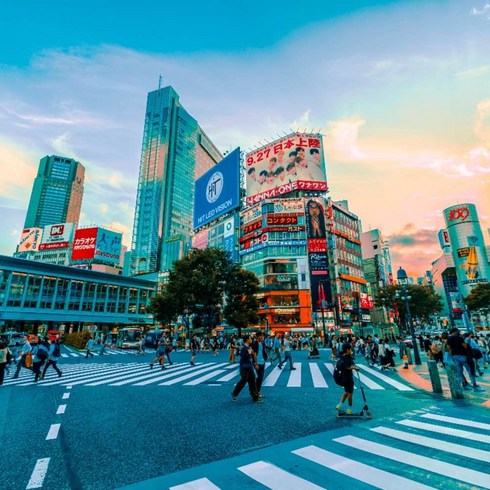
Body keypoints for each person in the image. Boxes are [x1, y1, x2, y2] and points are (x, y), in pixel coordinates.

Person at [231, 335, 260, 403]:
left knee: (252, 381)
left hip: (249, 367)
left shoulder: (248, 347)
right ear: (247, 340)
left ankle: (255, 397)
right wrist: (249, 353)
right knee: (243, 381)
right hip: (244, 368)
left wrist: (252, 355)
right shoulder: (244, 348)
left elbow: (251, 356)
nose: (251, 340)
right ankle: (234, 393)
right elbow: (243, 357)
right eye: (250, 338)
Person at [336, 343, 359, 414]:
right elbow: (347, 367)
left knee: (346, 392)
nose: (351, 350)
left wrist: (354, 366)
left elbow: (351, 363)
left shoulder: (346, 356)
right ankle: (349, 409)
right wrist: (354, 368)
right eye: (350, 349)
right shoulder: (346, 357)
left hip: (344, 377)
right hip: (347, 377)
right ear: (347, 350)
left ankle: (339, 405)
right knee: (350, 393)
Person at [251, 332, 268, 398]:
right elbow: (254, 354)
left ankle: (256, 391)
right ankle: (256, 391)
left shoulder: (262, 343)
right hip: (257, 363)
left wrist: (265, 357)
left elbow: (263, 351)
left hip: (262, 362)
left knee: (261, 377)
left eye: (262, 336)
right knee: (260, 377)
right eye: (261, 336)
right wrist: (256, 363)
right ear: (257, 336)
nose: (262, 337)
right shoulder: (255, 343)